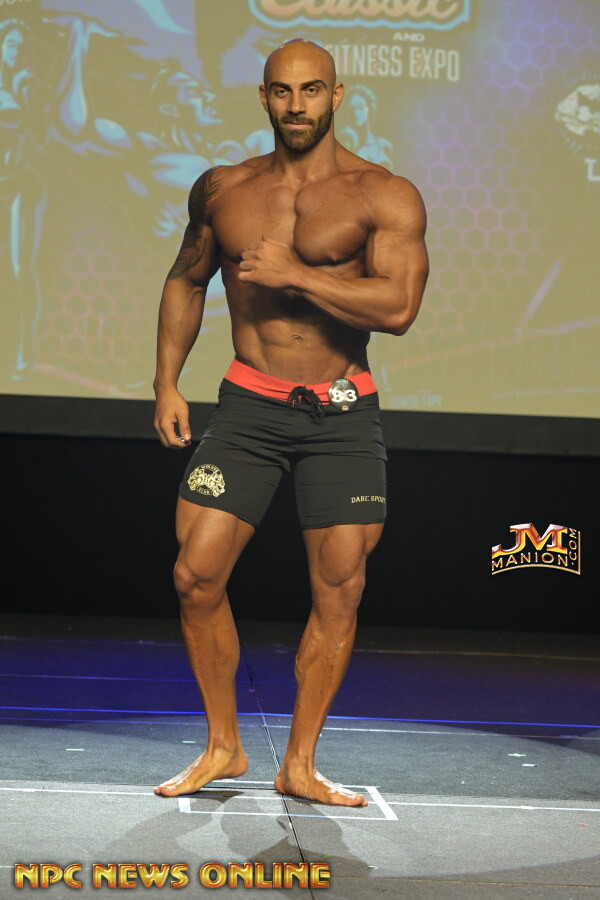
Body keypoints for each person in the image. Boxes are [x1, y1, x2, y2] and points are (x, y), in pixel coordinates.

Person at [152, 38, 428, 807]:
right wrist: (165, 383)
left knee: (340, 588)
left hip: (340, 412)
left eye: (311, 90)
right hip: (249, 405)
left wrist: (296, 274)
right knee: (194, 574)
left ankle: (300, 763)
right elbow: (186, 279)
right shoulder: (224, 189)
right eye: (282, 91)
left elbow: (399, 307)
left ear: (337, 95)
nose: (296, 105)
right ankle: (224, 746)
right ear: (265, 97)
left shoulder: (383, 194)